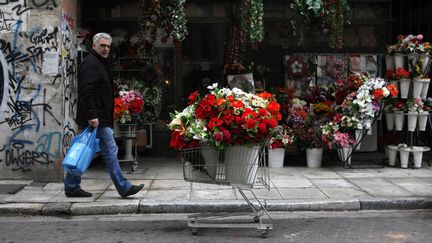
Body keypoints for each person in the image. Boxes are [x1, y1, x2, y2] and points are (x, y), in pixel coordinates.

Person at [64, 32, 144, 198]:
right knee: (108, 150)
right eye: (102, 45)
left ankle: (71, 185)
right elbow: (86, 91)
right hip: (95, 118)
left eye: (108, 46)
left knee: (86, 149)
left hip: (100, 117)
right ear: (94, 46)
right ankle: (123, 187)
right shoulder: (91, 64)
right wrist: (93, 116)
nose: (106, 48)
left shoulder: (99, 62)